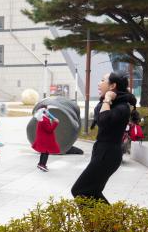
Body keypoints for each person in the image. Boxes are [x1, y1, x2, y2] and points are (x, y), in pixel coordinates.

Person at [71, 71, 135, 203]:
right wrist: (106, 100)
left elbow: (104, 120)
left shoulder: (122, 107)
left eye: (102, 80)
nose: (99, 83)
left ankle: (106, 223)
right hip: (102, 151)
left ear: (112, 86)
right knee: (91, 191)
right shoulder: (111, 103)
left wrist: (107, 99)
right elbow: (99, 116)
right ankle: (105, 223)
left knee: (79, 190)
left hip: (108, 153)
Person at [32, 108, 60, 172]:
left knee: (43, 152)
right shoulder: (44, 120)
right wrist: (55, 123)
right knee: (46, 152)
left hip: (43, 139)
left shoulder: (43, 119)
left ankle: (40, 164)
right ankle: (43, 165)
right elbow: (49, 130)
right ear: (45, 113)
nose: (49, 113)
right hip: (45, 140)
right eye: (48, 112)